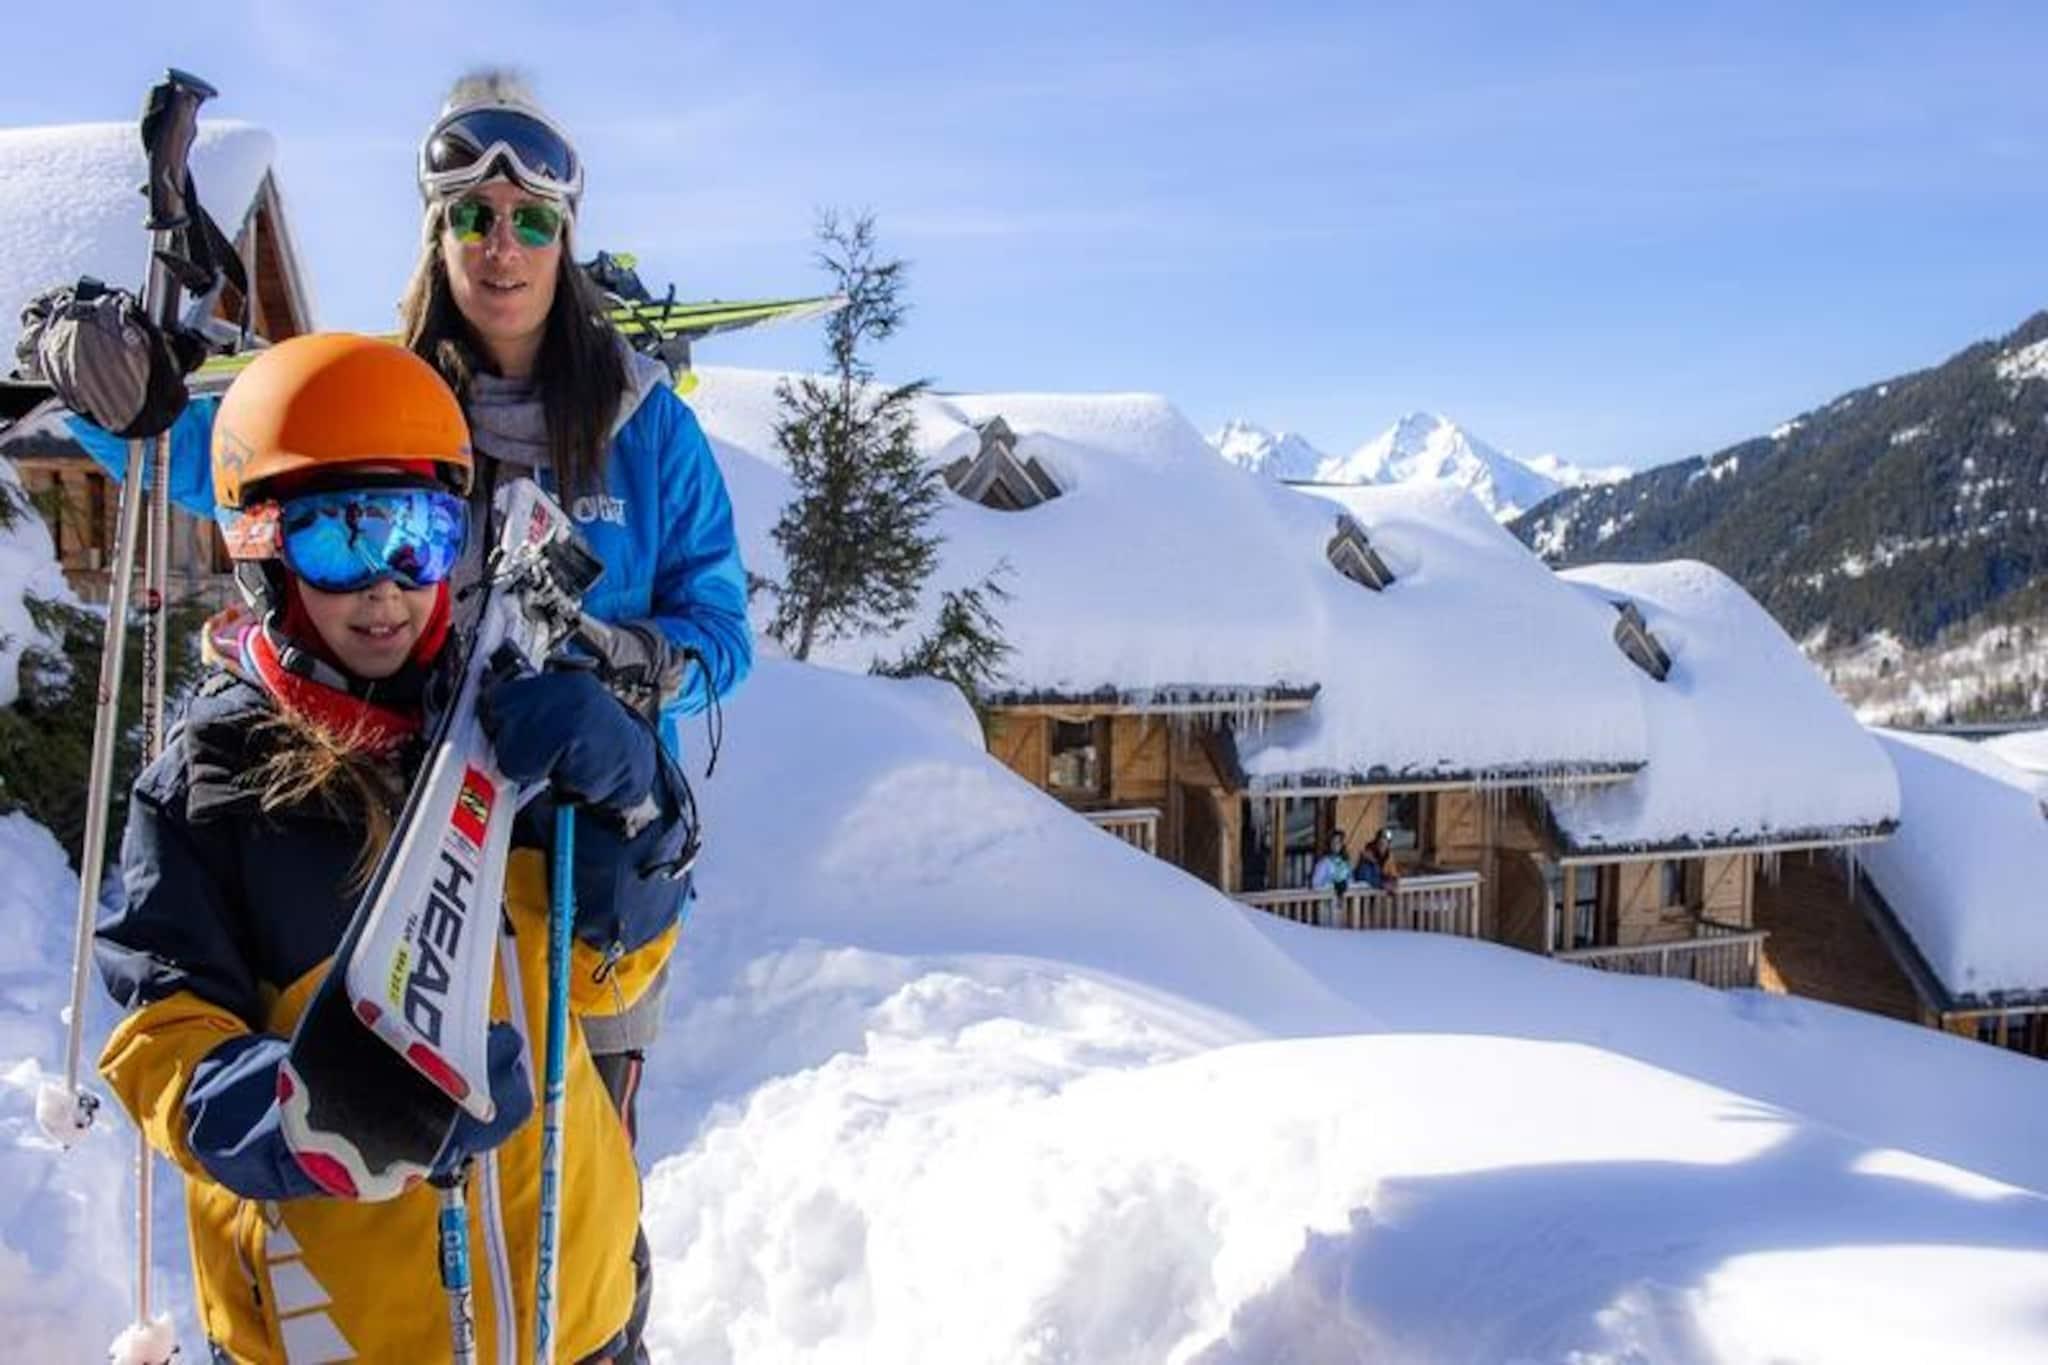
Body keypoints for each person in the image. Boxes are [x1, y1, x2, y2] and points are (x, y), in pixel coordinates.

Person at [51, 73, 744, 1356]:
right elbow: (231, 457)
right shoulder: (380, 396)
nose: (499, 247)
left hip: (550, 776)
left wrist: (619, 703)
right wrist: (114, 402)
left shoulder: (641, 427)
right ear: (435, 232)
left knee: (571, 1108)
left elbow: (719, 636)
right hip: (374, 765)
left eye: (529, 221)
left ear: (566, 240)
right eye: (471, 217)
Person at [95, 335, 686, 1363]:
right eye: (338, 542)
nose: (384, 588)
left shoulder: (502, 722)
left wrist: (635, 808)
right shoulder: (211, 782)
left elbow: (609, 973)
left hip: (574, 1312)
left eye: (417, 537)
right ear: (264, 553)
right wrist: (311, 1118)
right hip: (341, 1331)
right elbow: (161, 1039)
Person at [1309, 829, 1353, 926]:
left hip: (1343, 905)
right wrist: (1333, 885)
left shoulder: (1345, 862)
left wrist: (1345, 885)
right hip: (1327, 906)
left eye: (1338, 842)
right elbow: (1315, 884)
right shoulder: (1324, 863)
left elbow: (1351, 880)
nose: (1336, 845)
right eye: (1333, 842)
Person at [1355, 827, 1403, 892]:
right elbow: (1364, 878)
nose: (1383, 846)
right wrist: (1382, 884)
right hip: (1364, 894)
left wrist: (1394, 880)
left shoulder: (1388, 857)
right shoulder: (1367, 859)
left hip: (1380, 894)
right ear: (1376, 843)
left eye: (1385, 843)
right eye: (1380, 843)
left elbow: (1392, 873)